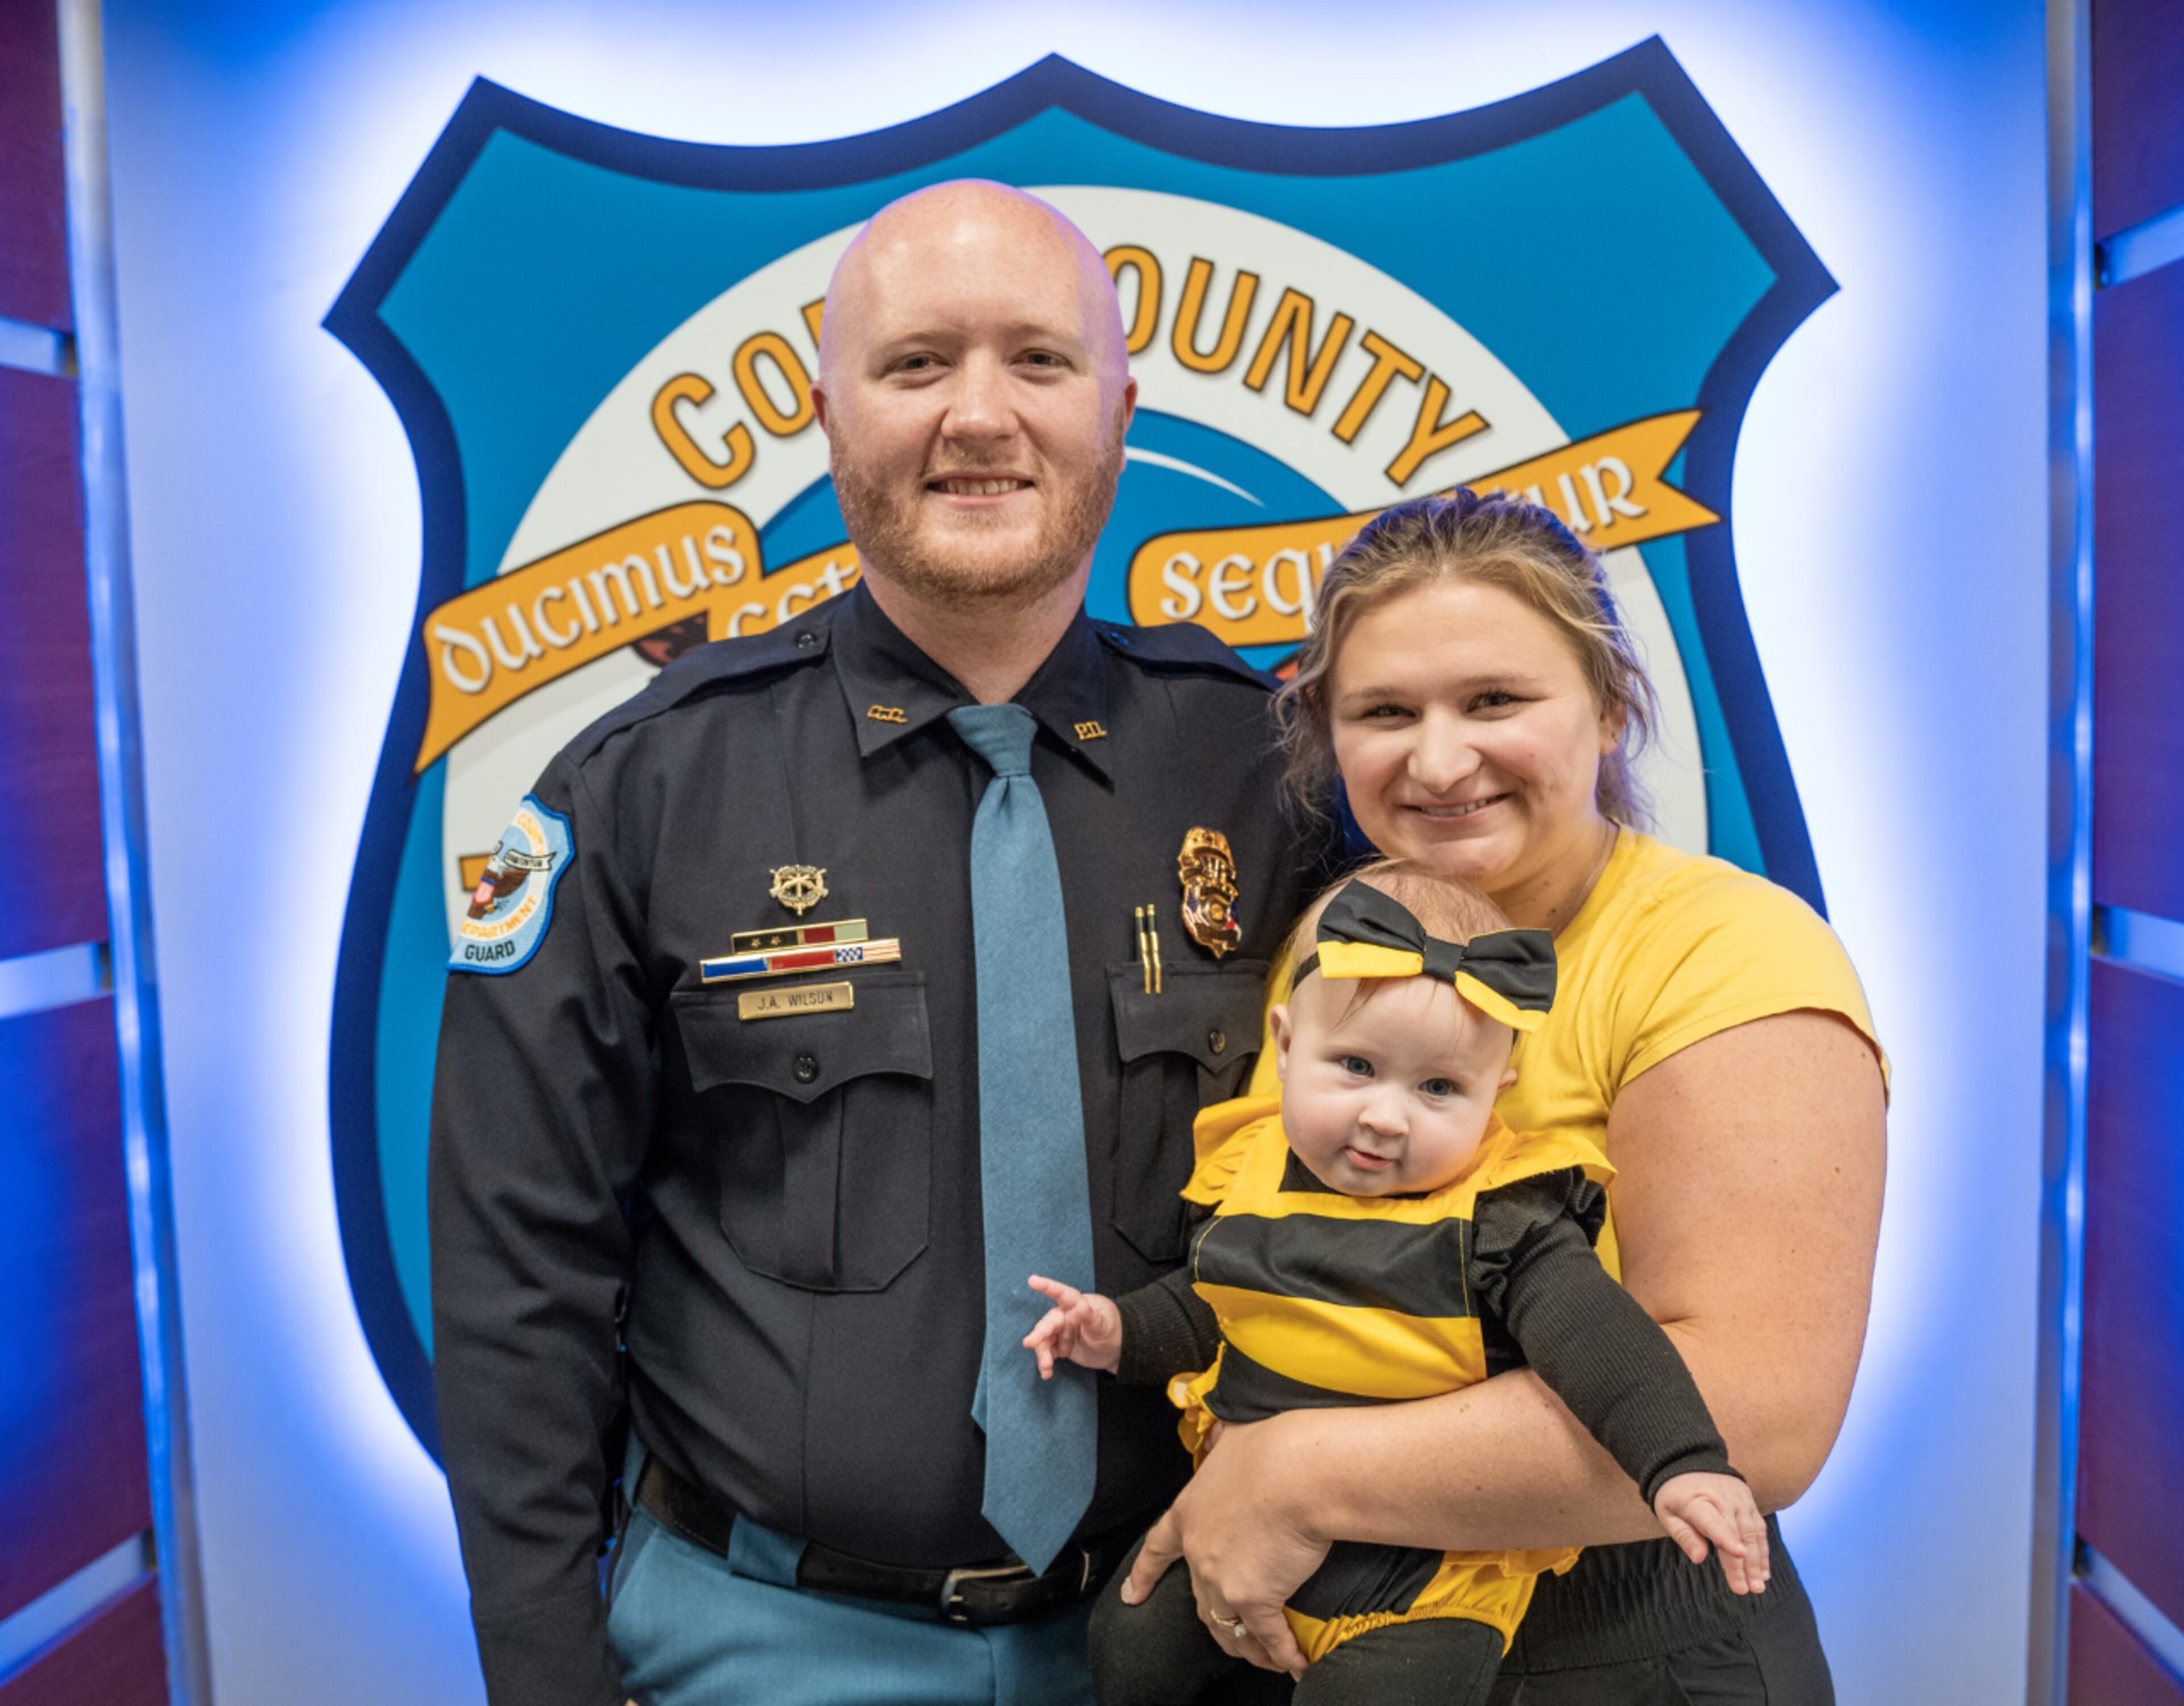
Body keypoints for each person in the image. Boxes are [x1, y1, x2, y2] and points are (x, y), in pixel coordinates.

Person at [428, 179, 1324, 1706]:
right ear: (831, 408)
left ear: (1120, 404)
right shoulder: (646, 786)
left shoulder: (1271, 773)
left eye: (1038, 362)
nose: (980, 415)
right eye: (917, 365)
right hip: (768, 1647)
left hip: (1194, 1631)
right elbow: (523, 1276)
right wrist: (541, 1671)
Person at [1117, 491, 1887, 1703]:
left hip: (1623, 1639)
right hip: (1325, 1629)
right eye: (1384, 712)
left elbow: (1761, 1417)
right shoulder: (1332, 942)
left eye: (1494, 701)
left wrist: (1295, 1476)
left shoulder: (1727, 953)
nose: (1437, 759)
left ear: (1612, 707)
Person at [1024, 862, 1768, 1706]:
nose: (1386, 1115)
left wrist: (1685, 1463)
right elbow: (1213, 1303)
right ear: (1284, 1044)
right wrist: (1116, 1331)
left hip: (1424, 1576)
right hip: (1238, 1522)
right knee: (1125, 1646)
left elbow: (1601, 1342)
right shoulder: (1251, 1170)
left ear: (1499, 1095)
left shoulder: (1499, 1221)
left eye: (1440, 1088)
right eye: (1355, 1066)